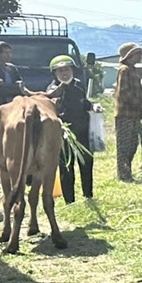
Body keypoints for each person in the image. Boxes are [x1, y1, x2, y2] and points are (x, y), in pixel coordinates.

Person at [46, 55, 96, 202]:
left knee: (87, 162)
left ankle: (88, 195)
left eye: (66, 69)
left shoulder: (79, 84)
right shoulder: (52, 90)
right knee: (66, 166)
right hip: (64, 132)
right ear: (54, 74)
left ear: (72, 70)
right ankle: (70, 201)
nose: (64, 73)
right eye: (60, 71)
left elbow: (83, 102)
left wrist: (93, 106)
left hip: (83, 129)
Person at [114, 42, 142, 182]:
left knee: (133, 143)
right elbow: (124, 92)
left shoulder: (133, 70)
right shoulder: (124, 70)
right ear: (129, 56)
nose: (140, 56)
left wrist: (141, 105)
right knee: (124, 145)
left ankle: (127, 172)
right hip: (125, 114)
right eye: (137, 54)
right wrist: (139, 104)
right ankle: (124, 175)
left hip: (134, 114)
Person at [0, 40, 28, 118]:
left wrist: (13, 87)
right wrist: (13, 87)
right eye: (6, 53)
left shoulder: (12, 68)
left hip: (12, 103)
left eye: (10, 52)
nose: (9, 55)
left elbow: (20, 86)